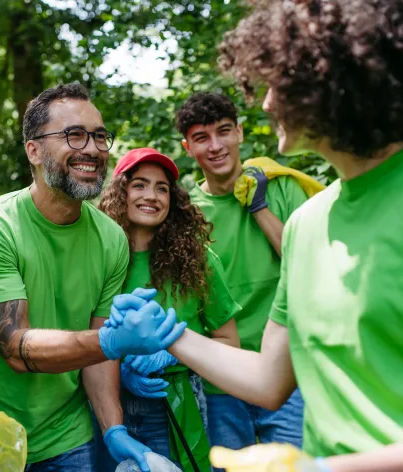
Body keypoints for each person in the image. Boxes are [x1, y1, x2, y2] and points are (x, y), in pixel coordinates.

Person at [121, 1, 403, 470]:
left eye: (279, 83)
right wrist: (169, 336)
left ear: (335, 78)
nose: (267, 102)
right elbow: (270, 379)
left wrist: (325, 469)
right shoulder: (308, 226)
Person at [0, 83, 186, 472]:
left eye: (99, 136)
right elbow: (15, 348)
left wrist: (114, 430)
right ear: (34, 150)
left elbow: (97, 355)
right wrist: (113, 340)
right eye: (74, 135)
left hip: (68, 435)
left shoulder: (111, 238)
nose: (92, 149)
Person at [175, 92, 307, 459]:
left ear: (240, 134)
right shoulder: (185, 214)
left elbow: (309, 264)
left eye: (224, 131)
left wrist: (260, 208)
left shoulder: (280, 187)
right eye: (202, 137)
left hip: (288, 372)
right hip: (223, 379)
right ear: (188, 147)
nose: (216, 146)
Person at [96, 148, 242, 472]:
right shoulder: (99, 260)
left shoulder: (198, 261)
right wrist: (120, 370)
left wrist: (177, 353)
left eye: (162, 188)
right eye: (140, 185)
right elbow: (82, 337)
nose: (152, 196)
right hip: (110, 408)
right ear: (121, 191)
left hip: (179, 402)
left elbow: (231, 342)